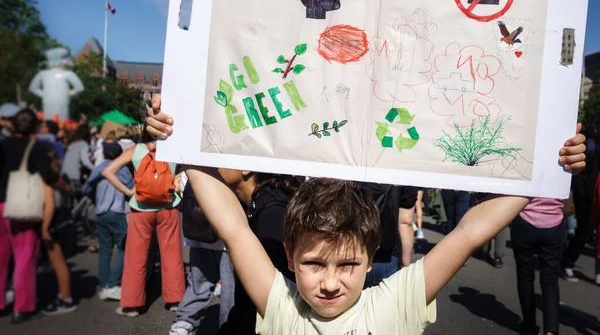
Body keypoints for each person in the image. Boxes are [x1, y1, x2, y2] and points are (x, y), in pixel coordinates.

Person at [147, 101, 586, 334]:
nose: (331, 281)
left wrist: (547, 170)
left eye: (348, 263)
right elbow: (233, 228)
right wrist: (180, 143)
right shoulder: (282, 307)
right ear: (290, 257)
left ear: (372, 255)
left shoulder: (394, 303)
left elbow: (470, 230)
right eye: (314, 263)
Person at [102, 130, 185, 317]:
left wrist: (129, 191)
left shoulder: (136, 149)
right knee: (172, 255)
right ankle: (175, 300)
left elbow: (107, 171)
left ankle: (132, 305)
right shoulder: (172, 147)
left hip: (140, 208)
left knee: (136, 257)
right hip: (168, 207)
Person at [0, 108, 71, 324]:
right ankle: (23, 307)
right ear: (33, 126)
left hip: (0, 204)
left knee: (1, 256)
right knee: (24, 256)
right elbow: (48, 176)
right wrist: (65, 187)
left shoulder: (2, 145)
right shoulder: (35, 148)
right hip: (21, 205)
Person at [217, 171, 300, 335]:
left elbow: (267, 306)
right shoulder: (263, 204)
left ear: (245, 170)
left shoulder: (272, 217)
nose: (214, 162)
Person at [169, 171, 234, 335]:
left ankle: (184, 323)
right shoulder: (231, 170)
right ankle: (228, 326)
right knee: (230, 288)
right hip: (228, 238)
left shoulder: (190, 170)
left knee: (198, 283)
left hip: (198, 235)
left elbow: (180, 189)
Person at [82, 142, 130, 301]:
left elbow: (86, 188)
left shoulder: (99, 169)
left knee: (105, 250)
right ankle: (112, 284)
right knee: (125, 248)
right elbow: (132, 188)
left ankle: (104, 285)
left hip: (100, 212)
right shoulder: (122, 168)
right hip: (116, 211)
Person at [511, 198, 565, 335]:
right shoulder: (564, 174)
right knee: (550, 281)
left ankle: (529, 324)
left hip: (525, 220)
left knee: (525, 276)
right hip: (554, 222)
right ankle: (551, 330)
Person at [362, 184, 417, 288]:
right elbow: (405, 222)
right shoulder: (404, 171)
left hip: (347, 250)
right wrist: (406, 263)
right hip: (387, 255)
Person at [562, 135, 599, 281]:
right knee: (584, 233)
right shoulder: (590, 146)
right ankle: (567, 263)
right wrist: (582, 197)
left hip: (591, 197)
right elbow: (580, 174)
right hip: (588, 199)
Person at [40, 181, 78, 316]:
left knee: (58, 262)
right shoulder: (61, 184)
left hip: (53, 221)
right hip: (62, 219)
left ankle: (65, 298)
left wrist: (44, 229)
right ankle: (65, 297)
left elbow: (50, 205)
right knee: (59, 261)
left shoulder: (48, 183)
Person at [61, 124, 95, 192]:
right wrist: (96, 169)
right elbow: (85, 161)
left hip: (64, 174)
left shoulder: (72, 144)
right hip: (74, 176)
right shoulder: (83, 144)